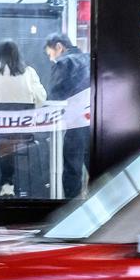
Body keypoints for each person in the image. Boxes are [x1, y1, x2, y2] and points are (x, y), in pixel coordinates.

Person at [0, 39, 46, 197]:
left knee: (1, 138)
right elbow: (41, 99)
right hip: (24, 131)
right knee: (8, 139)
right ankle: (7, 183)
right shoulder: (30, 72)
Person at [44, 32, 91, 198]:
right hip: (95, 122)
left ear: (59, 47)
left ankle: (72, 209)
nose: (51, 58)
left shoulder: (64, 62)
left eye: (51, 53)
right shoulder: (91, 58)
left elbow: (55, 96)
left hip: (75, 122)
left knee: (72, 168)